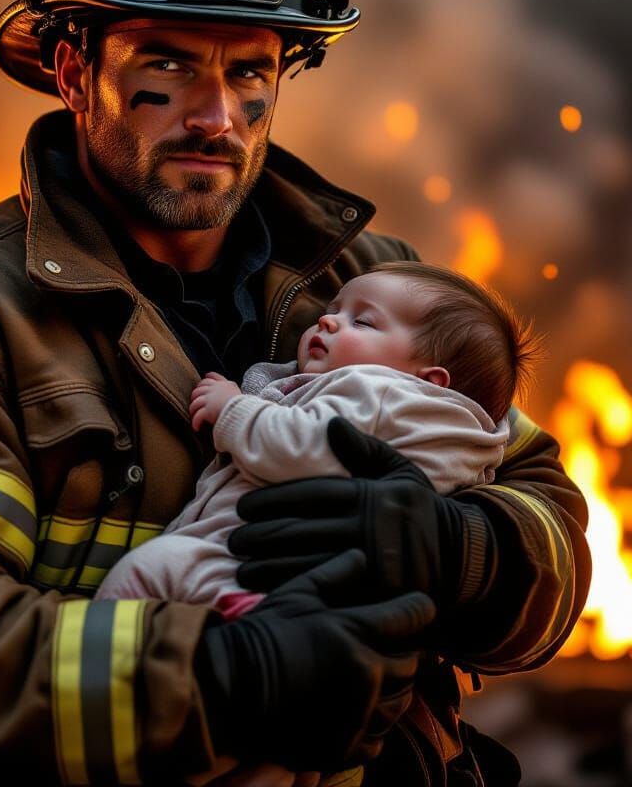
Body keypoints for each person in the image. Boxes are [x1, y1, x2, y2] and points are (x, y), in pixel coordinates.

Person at [0, 0, 590, 787]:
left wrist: (466, 550)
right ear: (72, 69)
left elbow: (548, 522)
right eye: (167, 64)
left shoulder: (373, 287)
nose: (215, 115)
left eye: (248, 70)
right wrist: (225, 679)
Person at [96, 261, 536, 616]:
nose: (327, 320)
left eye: (362, 322)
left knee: (141, 575)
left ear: (430, 381)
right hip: (302, 589)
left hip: (245, 566)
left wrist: (234, 409)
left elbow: (304, 446)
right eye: (334, 308)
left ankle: (104, 681)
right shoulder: (441, 427)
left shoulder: (379, 393)